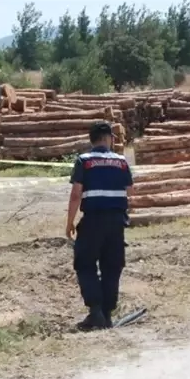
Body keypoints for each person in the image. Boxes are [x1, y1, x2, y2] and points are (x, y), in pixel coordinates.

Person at [66, 121, 133, 331]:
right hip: (116, 221)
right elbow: (130, 191)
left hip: (93, 220)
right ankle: (106, 313)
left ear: (92, 139)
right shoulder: (122, 161)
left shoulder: (84, 161)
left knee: (85, 264)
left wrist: (69, 222)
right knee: (112, 266)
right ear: (107, 138)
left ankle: (95, 311)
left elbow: (76, 194)